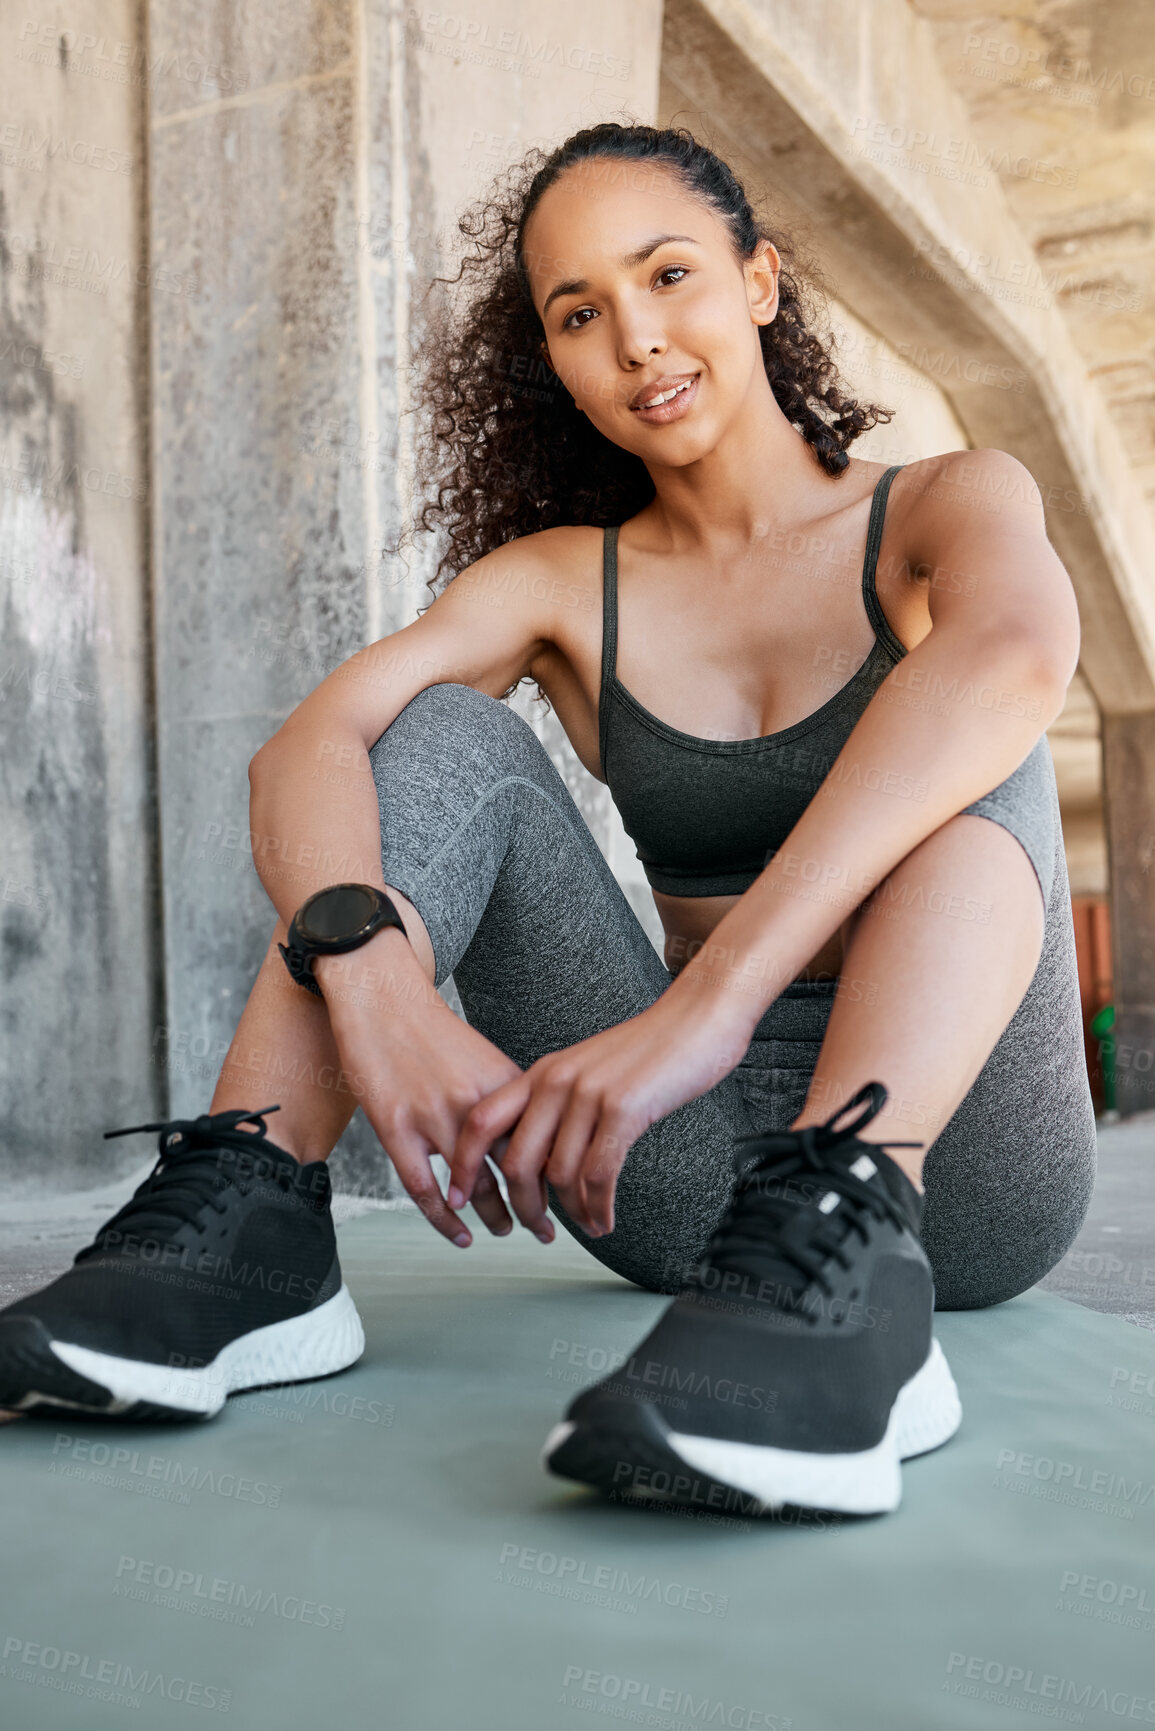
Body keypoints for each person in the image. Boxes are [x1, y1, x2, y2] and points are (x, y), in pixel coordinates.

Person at [0, 122, 1096, 1518]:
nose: (636, 337)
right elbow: (303, 750)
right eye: (580, 313)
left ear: (761, 282)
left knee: (961, 715)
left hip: (965, 1175)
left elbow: (1013, 660)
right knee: (432, 730)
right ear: (554, 359)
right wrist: (375, 978)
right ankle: (255, 1227)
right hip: (663, 1166)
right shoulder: (561, 585)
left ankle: (854, 1280)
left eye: (670, 274)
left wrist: (710, 1002)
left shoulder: (949, 504)